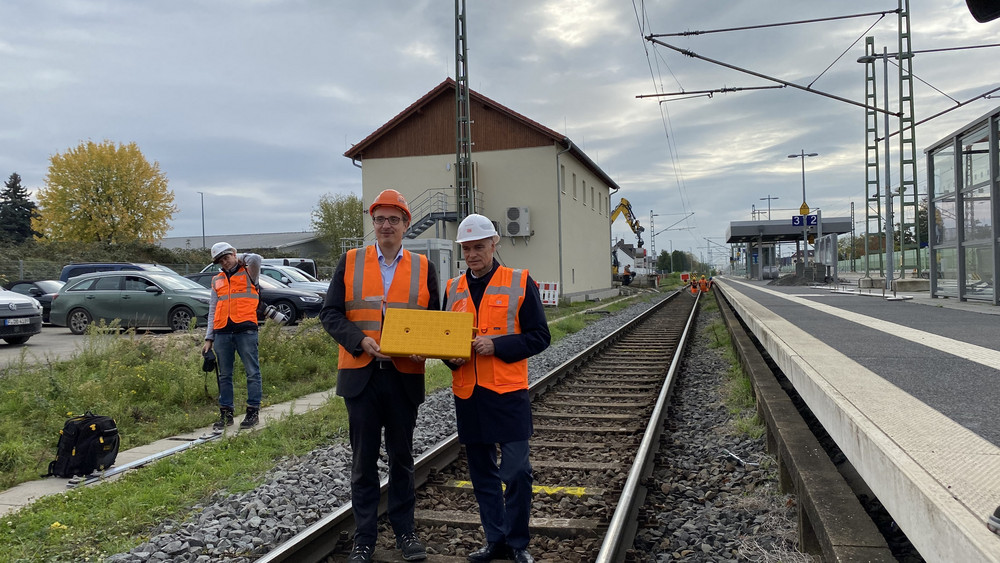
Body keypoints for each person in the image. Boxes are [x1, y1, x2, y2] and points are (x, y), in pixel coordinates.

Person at [320, 188, 439, 563]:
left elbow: (434, 322)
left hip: (404, 376)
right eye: (380, 219)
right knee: (364, 461)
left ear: (406, 224)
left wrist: (426, 344)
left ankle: (405, 533)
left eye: (393, 219)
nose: (386, 225)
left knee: (402, 458)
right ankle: (364, 539)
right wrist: (359, 342)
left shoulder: (424, 268)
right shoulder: (350, 261)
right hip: (362, 375)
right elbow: (330, 314)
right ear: (373, 224)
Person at [443, 214, 551, 563]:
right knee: (482, 473)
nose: (473, 254)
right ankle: (496, 540)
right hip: (469, 394)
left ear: (494, 244)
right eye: (467, 248)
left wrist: (499, 346)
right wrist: (451, 359)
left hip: (508, 392)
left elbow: (540, 337)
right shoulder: (452, 288)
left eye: (479, 247)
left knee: (517, 470)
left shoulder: (519, 282)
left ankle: (518, 543)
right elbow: (445, 341)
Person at [202, 242, 263, 430]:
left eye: (226, 257)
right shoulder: (217, 280)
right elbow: (213, 309)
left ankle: (252, 412)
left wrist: (238, 257)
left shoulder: (249, 272)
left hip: (245, 330)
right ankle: (226, 413)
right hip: (222, 332)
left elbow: (256, 258)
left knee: (252, 372)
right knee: (224, 375)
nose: (224, 262)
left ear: (234, 254)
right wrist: (208, 338)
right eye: (220, 260)